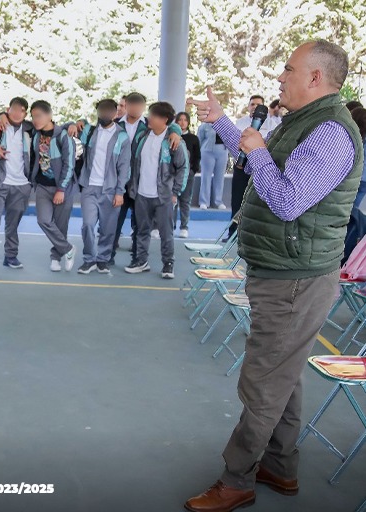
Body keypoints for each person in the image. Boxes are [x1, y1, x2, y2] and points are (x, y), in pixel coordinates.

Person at [185, 40, 363, 512]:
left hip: (295, 278)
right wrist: (223, 122)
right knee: (283, 374)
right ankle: (280, 467)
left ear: (316, 78)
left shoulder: (330, 132)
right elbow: (257, 160)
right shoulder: (303, 122)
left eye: (288, 69)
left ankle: (237, 478)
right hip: (286, 271)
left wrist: (261, 151)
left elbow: (287, 201)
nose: (280, 77)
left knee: (264, 381)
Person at [108, 92, 182, 262]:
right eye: (131, 104)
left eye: (139, 105)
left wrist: (176, 131)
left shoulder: (148, 126)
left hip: (139, 184)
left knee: (140, 225)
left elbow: (170, 126)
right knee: (114, 222)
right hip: (119, 183)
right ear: (126, 105)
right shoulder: (116, 124)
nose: (135, 108)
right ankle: (108, 256)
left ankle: (138, 258)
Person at [124, 102, 189, 279]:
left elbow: (183, 167)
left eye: (153, 115)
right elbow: (134, 162)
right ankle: (141, 261)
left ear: (164, 119)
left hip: (164, 196)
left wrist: (175, 192)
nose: (149, 118)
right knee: (141, 230)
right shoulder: (142, 136)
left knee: (166, 233)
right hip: (141, 194)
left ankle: (168, 264)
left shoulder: (174, 141)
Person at [75, 99, 131, 274]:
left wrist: (120, 192)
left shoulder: (122, 136)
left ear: (114, 113)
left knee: (108, 229)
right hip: (89, 187)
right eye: (101, 110)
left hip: (111, 190)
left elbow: (124, 167)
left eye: (108, 111)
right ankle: (89, 259)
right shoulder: (89, 131)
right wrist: (76, 122)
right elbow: (66, 129)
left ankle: (103, 259)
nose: (104, 114)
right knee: (87, 225)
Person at [0, 97, 32, 270]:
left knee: (13, 224)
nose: (17, 113)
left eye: (22, 110)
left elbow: (51, 125)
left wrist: (76, 123)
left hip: (22, 185)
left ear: (25, 114)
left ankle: (11, 256)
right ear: (8, 109)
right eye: (14, 109)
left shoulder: (31, 130)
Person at [29, 100, 77, 272]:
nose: (35, 120)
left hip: (62, 188)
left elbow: (69, 165)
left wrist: (61, 189)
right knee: (43, 220)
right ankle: (68, 249)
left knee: (61, 225)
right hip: (42, 187)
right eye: (33, 116)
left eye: (39, 116)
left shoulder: (63, 136)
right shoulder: (36, 135)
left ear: (49, 115)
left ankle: (56, 258)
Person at [229, 95, 282, 236]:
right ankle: (232, 231)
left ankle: (248, 233)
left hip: (260, 169)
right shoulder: (241, 122)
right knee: (237, 200)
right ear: (248, 106)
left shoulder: (272, 125)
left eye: (258, 105)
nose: (254, 107)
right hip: (241, 164)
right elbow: (236, 142)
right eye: (252, 104)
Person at [343, 106, 366, 262]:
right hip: (363, 181)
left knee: (349, 213)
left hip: (351, 180)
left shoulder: (350, 137)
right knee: (355, 216)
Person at [175, 111, 201, 238]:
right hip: (173, 175)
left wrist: (192, 170)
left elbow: (197, 156)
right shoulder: (172, 136)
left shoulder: (193, 138)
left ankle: (184, 227)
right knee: (172, 201)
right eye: (180, 120)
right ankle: (170, 226)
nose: (182, 122)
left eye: (185, 120)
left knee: (185, 201)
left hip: (188, 175)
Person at [197, 121, 228, 209]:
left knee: (220, 177)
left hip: (222, 152)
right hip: (207, 152)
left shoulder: (226, 125)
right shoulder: (204, 126)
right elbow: (199, 140)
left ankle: (218, 201)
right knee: (206, 176)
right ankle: (204, 201)